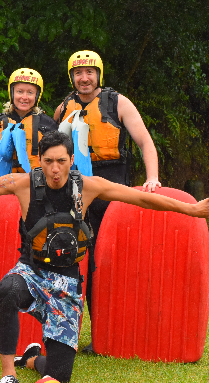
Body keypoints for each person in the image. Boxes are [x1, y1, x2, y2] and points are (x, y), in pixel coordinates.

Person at [0, 131, 209, 383]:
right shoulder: (22, 184)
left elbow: (142, 200)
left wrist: (192, 210)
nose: (54, 169)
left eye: (61, 161)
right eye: (48, 161)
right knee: (7, 290)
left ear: (71, 160)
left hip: (67, 283)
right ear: (39, 160)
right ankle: (9, 374)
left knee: (58, 375)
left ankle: (34, 358)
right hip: (31, 273)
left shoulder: (89, 186)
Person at [53, 50, 161, 351]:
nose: (83, 77)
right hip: (76, 189)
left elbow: (144, 142)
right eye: (78, 72)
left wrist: (152, 177)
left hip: (112, 188)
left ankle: (110, 332)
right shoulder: (64, 108)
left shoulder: (118, 102)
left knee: (110, 263)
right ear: (72, 77)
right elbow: (49, 151)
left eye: (89, 72)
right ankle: (67, 333)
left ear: (98, 75)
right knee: (73, 262)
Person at [0, 68, 57, 179]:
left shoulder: (48, 125)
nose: (24, 97)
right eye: (20, 91)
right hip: (5, 185)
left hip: (38, 186)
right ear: (12, 93)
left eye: (30, 92)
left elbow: (56, 161)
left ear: (37, 95)